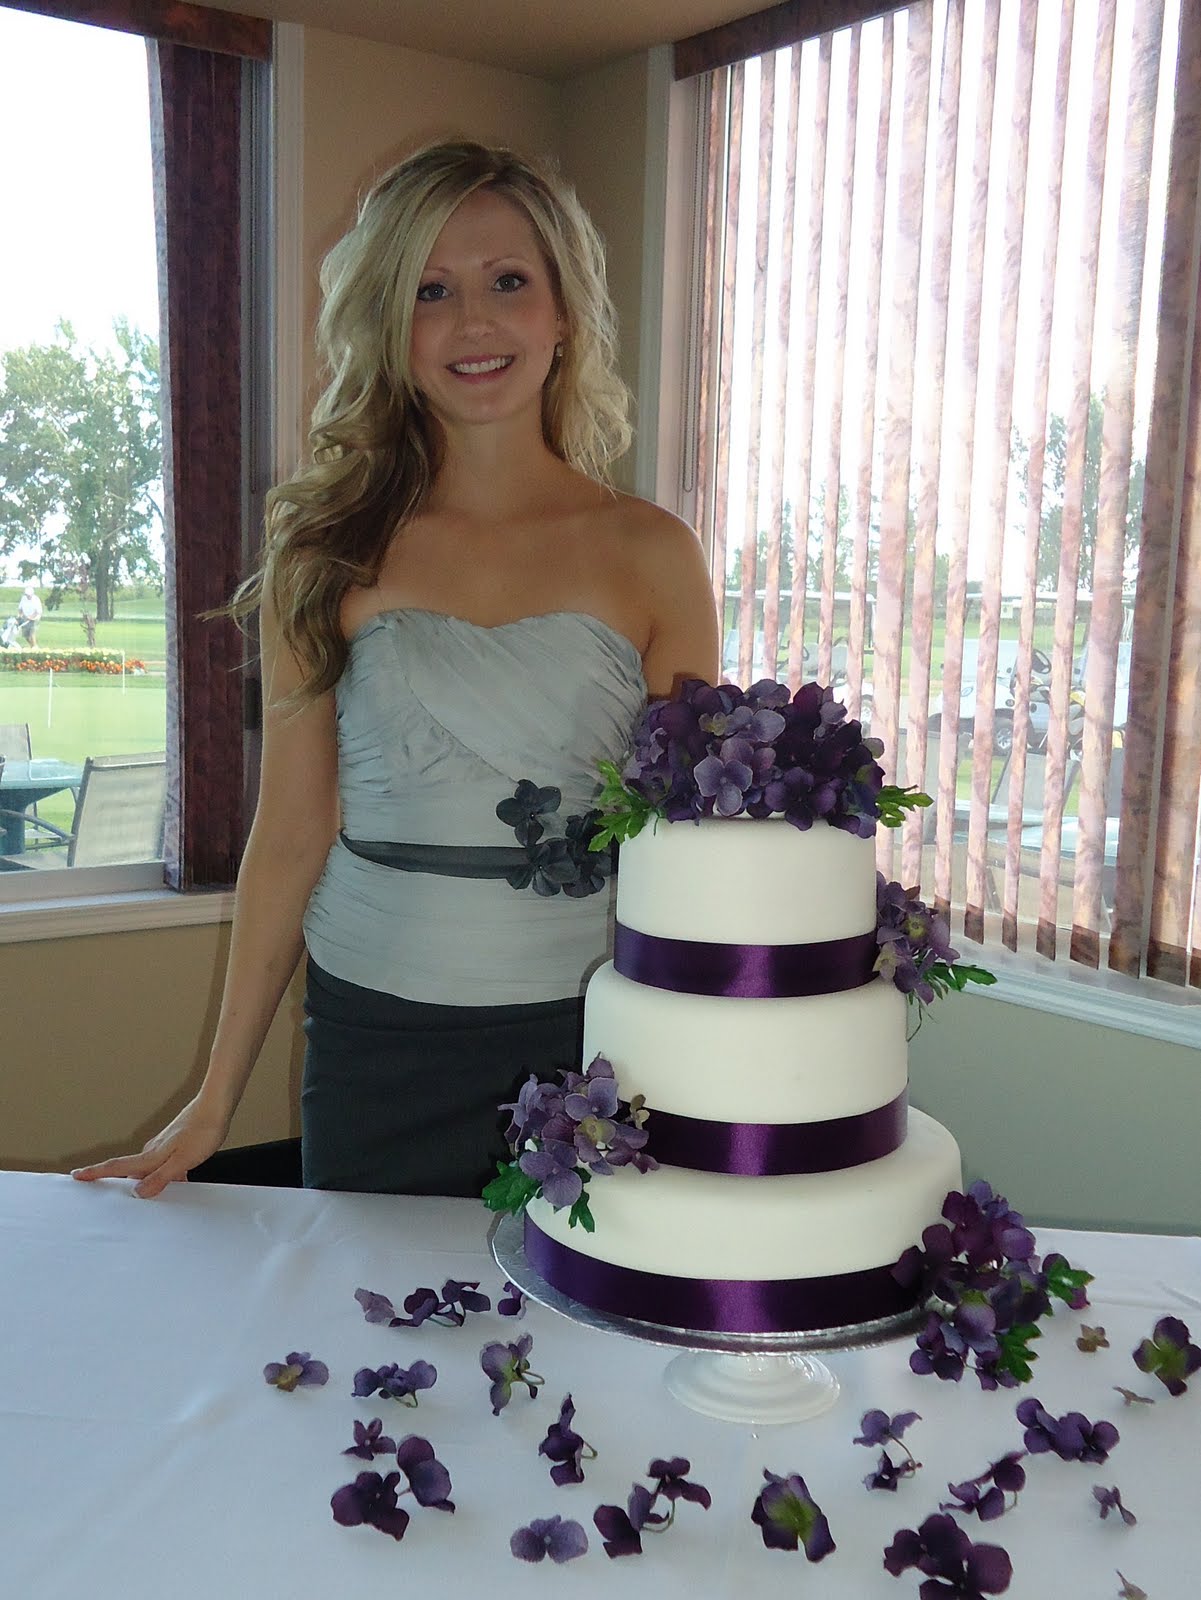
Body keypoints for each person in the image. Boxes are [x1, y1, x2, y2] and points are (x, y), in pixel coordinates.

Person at [71, 139, 719, 1200]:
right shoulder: (326, 548)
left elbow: (686, 851)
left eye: (507, 282)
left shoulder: (654, 553)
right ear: (388, 324)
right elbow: (288, 838)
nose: (473, 322)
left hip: (591, 1033)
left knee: (569, 1347)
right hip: (377, 1029)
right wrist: (213, 1100)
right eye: (430, 290)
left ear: (561, 314)